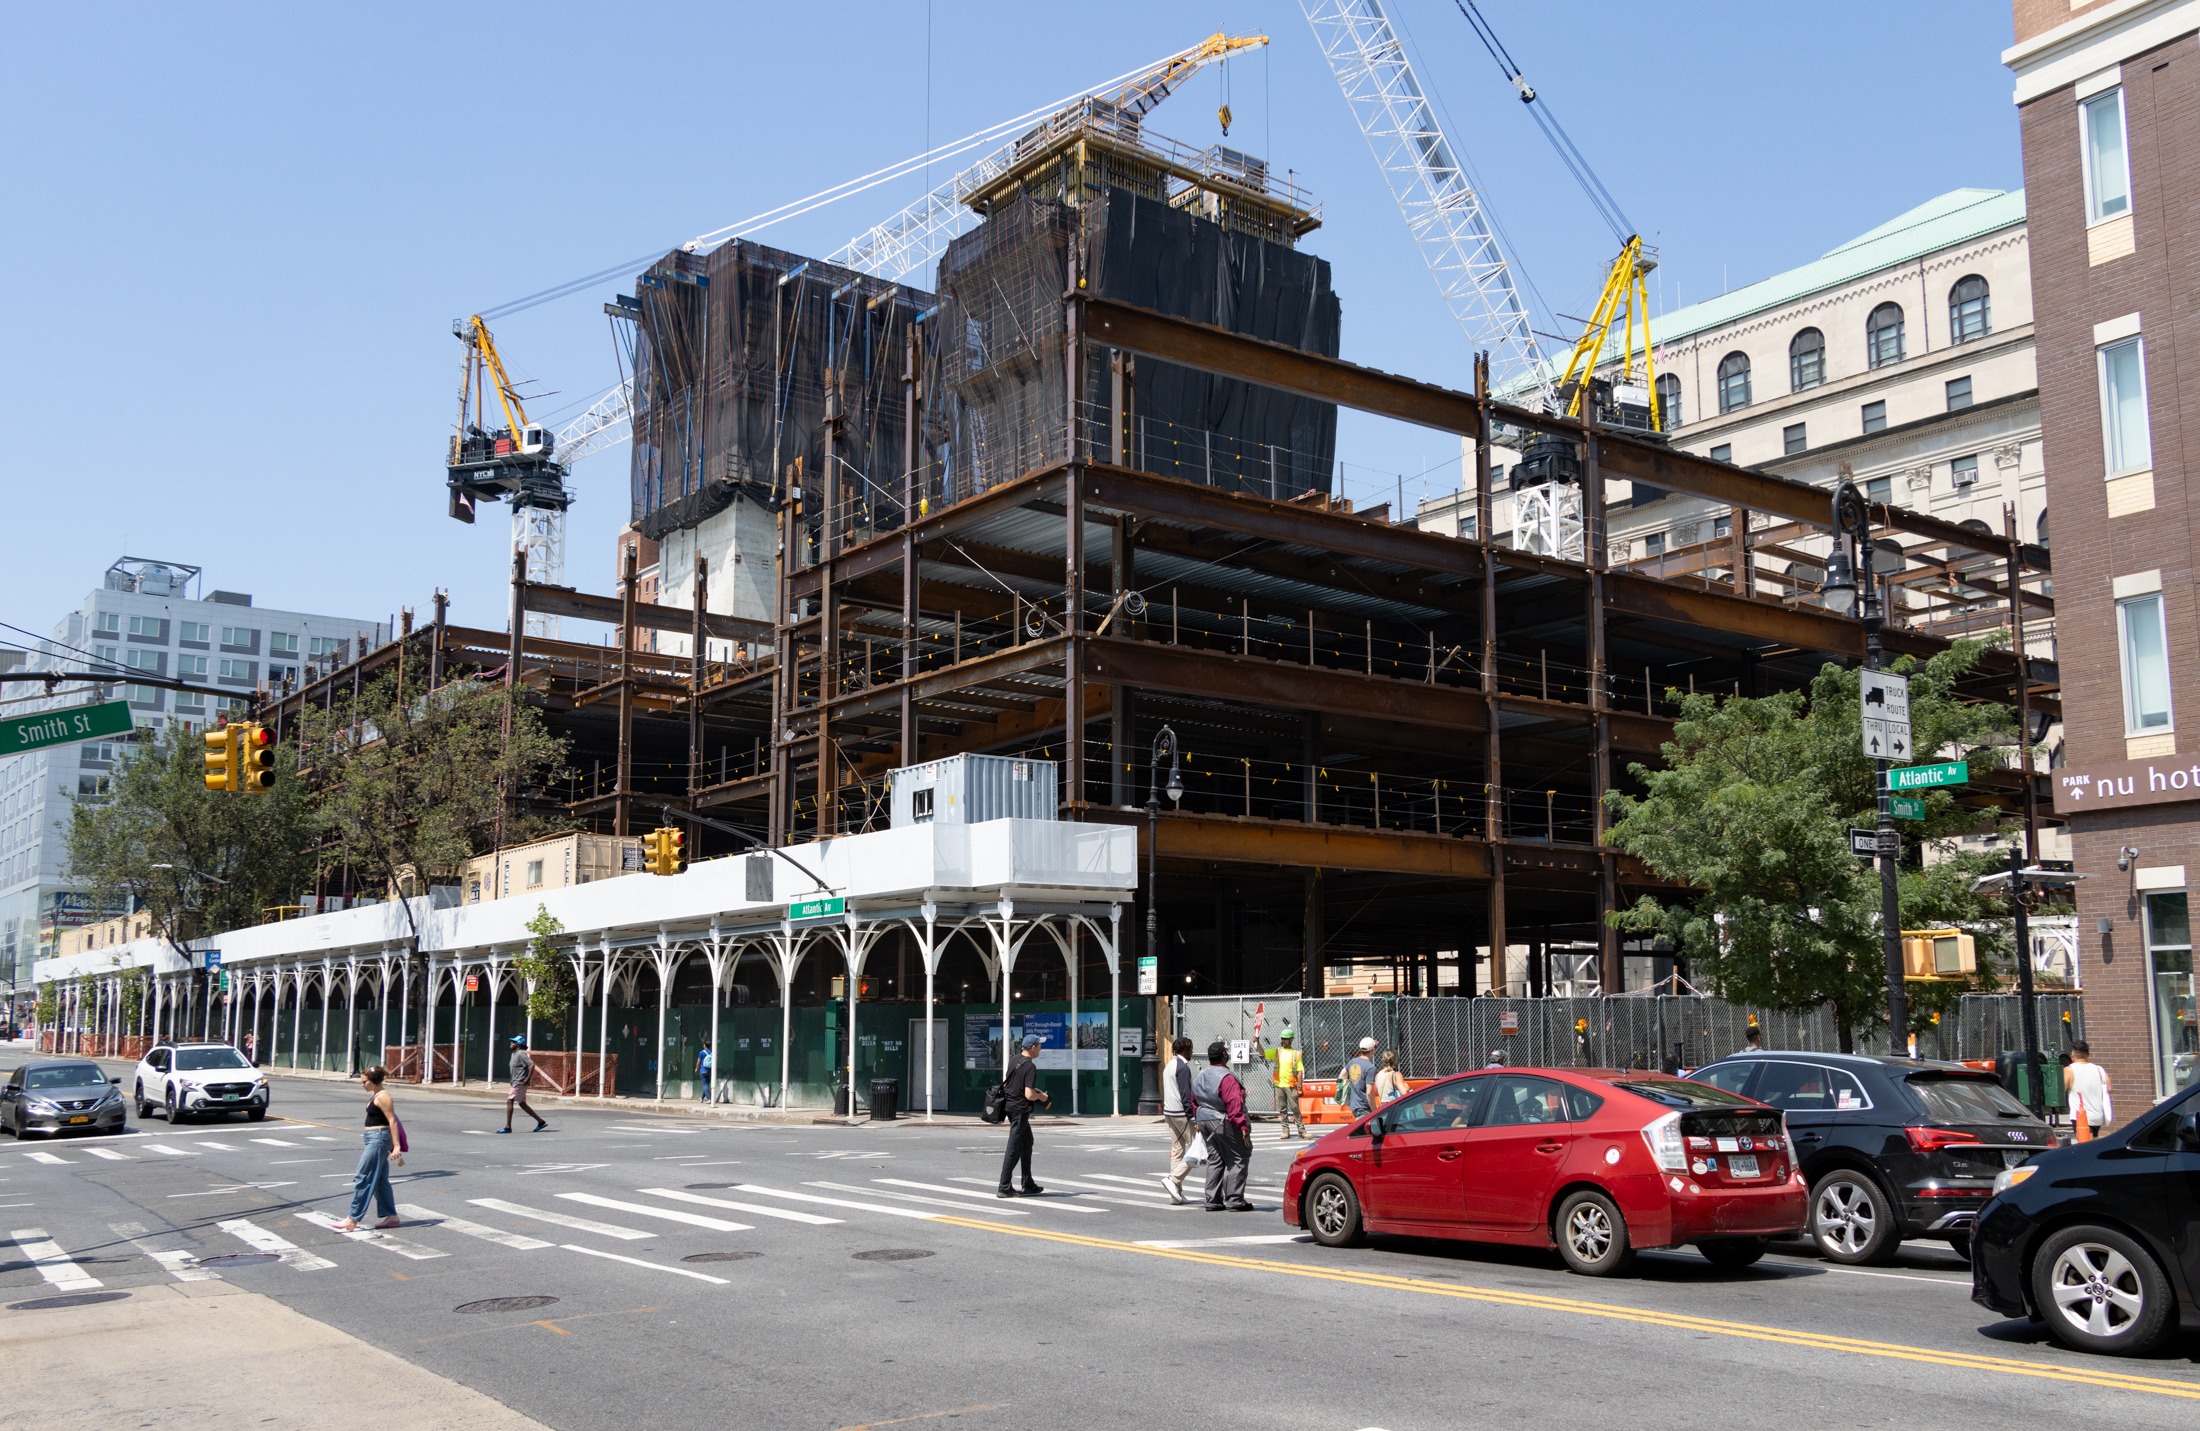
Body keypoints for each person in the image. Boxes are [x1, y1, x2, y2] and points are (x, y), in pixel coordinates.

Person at [333, 1066, 400, 1232]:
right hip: (375, 1139)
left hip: (378, 1139)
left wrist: (396, 1145)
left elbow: (392, 1121)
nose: (362, 1085)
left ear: (374, 1081)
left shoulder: (383, 1097)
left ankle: (352, 1218)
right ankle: (391, 1217)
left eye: (364, 1082)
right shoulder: (377, 1095)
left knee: (362, 1177)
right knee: (379, 1180)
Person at [1191, 1040, 1255, 1211]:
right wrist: (1242, 1127)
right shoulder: (1227, 1078)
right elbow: (1234, 1104)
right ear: (1224, 1055)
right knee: (1239, 1155)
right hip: (1221, 1120)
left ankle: (1213, 1199)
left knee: (1216, 1158)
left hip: (1204, 1120)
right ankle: (1234, 1198)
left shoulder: (1201, 1075)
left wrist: (1197, 1120)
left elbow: (1194, 1100)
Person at [996, 1034, 1050, 1197]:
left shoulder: (1014, 1060)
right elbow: (1028, 1094)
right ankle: (1004, 1186)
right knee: (1014, 1146)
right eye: (1039, 1045)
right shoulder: (1030, 1067)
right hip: (1020, 1109)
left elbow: (1010, 1082)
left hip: (1010, 1107)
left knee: (1027, 1142)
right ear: (1033, 1048)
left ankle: (1028, 1183)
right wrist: (1041, 1097)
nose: (1041, 1048)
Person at [1159, 1035, 1197, 1204]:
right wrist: (1193, 1118)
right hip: (1182, 1114)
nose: (1192, 1051)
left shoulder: (1169, 1065)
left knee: (1177, 1152)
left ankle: (1176, 1195)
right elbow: (1185, 1094)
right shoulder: (1183, 1067)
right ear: (1185, 1049)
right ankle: (1173, 1180)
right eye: (1191, 1048)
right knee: (1197, 1150)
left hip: (1169, 1113)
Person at [1262, 1028, 1306, 1140]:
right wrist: (1256, 1042)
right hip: (1279, 1085)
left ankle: (1301, 1130)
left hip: (1291, 1086)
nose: (1283, 1041)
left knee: (1295, 1108)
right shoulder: (1277, 1051)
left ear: (1291, 1040)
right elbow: (1262, 1053)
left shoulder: (1296, 1054)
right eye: (1282, 1039)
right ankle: (1285, 1131)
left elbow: (1299, 1072)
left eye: (1285, 1039)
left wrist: (1300, 1087)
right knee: (1282, 1109)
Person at [499, 1034, 547, 1134]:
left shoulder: (520, 1054)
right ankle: (540, 1122)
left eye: (514, 1042)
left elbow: (531, 1064)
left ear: (519, 1044)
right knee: (522, 1104)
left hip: (520, 1082)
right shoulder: (514, 1054)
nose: (511, 1043)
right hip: (515, 1082)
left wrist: (527, 1078)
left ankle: (508, 1127)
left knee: (510, 1100)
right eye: (511, 1041)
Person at [2066, 1040, 2112, 1142]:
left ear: (2073, 1054)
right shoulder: (2100, 1069)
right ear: (2088, 1055)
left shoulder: (2069, 1070)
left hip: (2081, 1116)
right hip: (2097, 1115)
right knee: (2094, 1142)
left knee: (2085, 1147)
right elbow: (2109, 1088)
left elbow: (2062, 1089)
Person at [1341, 1037, 1379, 1118]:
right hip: (1364, 1108)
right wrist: (1374, 1111)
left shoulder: (1352, 1062)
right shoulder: (1370, 1067)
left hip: (1354, 1106)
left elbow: (1341, 1075)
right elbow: (1369, 1093)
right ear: (1372, 1050)